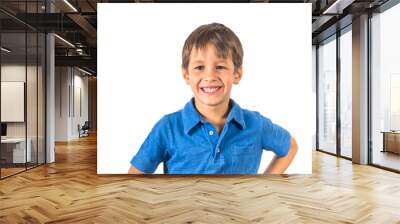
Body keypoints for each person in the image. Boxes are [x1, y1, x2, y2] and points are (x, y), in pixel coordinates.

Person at [128, 22, 297, 174]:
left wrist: (264, 185)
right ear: (186, 75)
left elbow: (290, 147)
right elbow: (134, 178)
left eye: (220, 67)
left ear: (237, 74)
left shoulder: (256, 124)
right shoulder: (168, 127)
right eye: (199, 67)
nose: (209, 76)